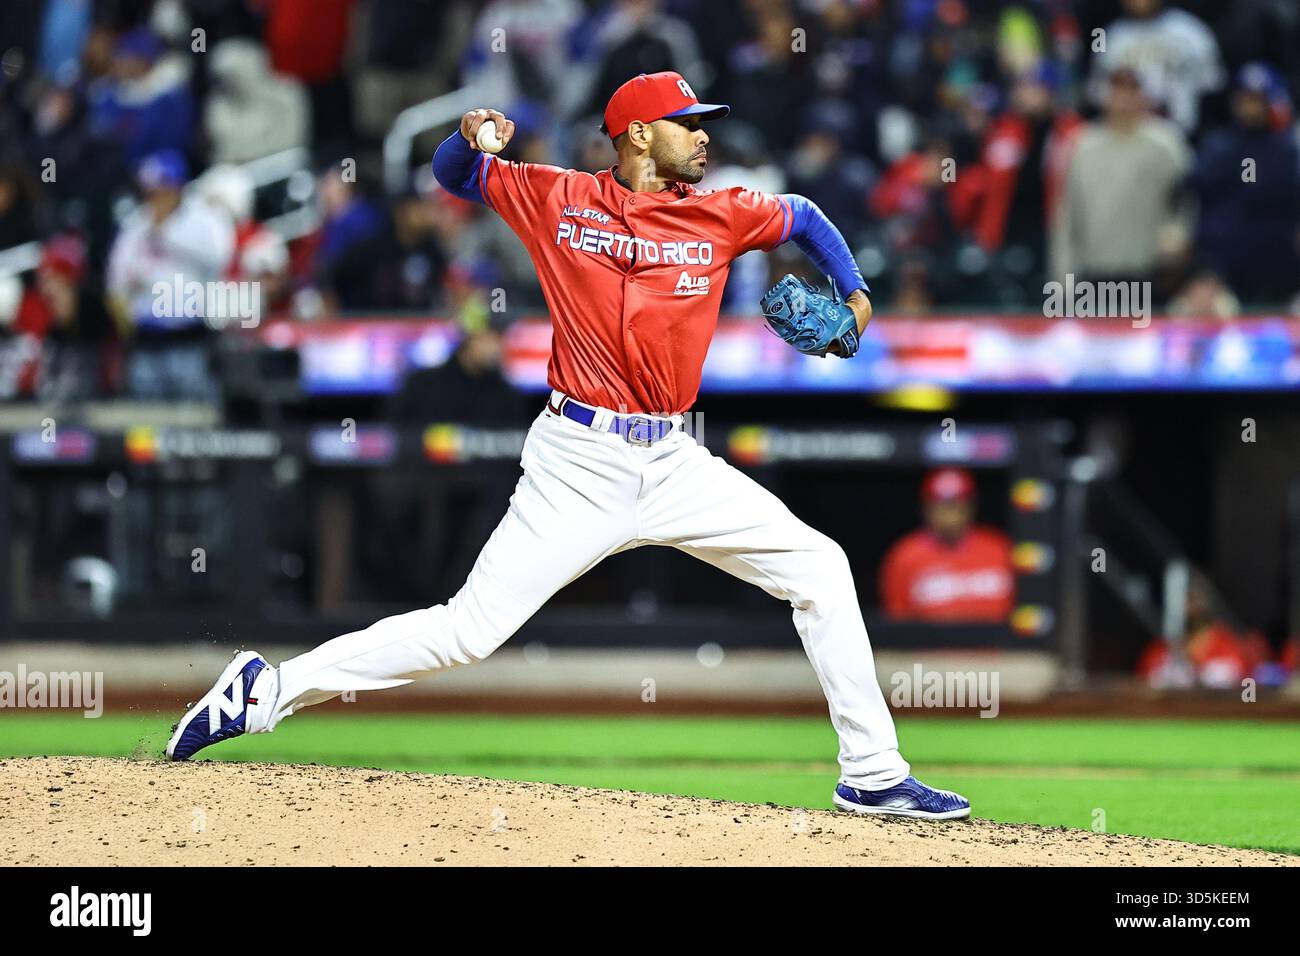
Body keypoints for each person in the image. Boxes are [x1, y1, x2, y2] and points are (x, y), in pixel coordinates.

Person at [167, 71, 971, 821]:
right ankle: (263, 692)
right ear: (635, 135)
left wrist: (859, 300)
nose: (701, 136)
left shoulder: (718, 211)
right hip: (578, 462)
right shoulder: (558, 198)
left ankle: (871, 773)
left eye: (701, 125)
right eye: (684, 125)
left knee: (820, 568)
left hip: (674, 460)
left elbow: (801, 213)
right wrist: (469, 136)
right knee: (466, 632)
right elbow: (455, 176)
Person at [105, 149, 234, 401]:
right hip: (146, 340)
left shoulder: (203, 219)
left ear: (177, 187)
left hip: (191, 339)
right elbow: (116, 280)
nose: (155, 197)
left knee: (197, 420)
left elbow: (220, 258)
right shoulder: (135, 226)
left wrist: (166, 233)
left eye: (162, 188)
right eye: (149, 190)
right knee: (145, 426)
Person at [879, 468, 1014, 623]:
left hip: (997, 645)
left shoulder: (999, 548)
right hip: (931, 646)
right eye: (940, 504)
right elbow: (897, 621)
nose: (949, 514)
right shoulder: (904, 556)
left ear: (970, 506)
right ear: (926, 508)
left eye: (955, 504)